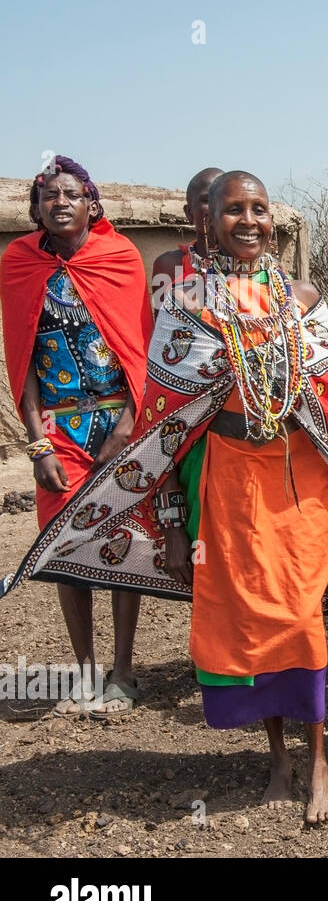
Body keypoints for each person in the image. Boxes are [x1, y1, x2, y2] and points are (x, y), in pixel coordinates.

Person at [4, 171, 328, 823]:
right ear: (211, 222)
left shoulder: (307, 300)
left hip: (299, 480)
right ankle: (277, 757)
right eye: (235, 210)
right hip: (224, 481)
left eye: (259, 209)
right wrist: (172, 519)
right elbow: (163, 429)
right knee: (247, 619)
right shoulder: (188, 307)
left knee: (303, 620)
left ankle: (318, 763)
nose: (250, 221)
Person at [0, 155, 152, 718]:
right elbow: (24, 365)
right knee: (67, 544)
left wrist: (128, 425)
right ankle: (85, 671)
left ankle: (125, 670)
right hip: (59, 428)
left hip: (119, 423)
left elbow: (139, 349)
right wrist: (37, 445)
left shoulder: (119, 258)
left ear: (92, 204)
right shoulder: (18, 264)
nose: (60, 203)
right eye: (48, 196)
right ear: (35, 208)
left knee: (122, 543)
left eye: (71, 194)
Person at [151, 167, 223, 308]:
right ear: (189, 213)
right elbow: (162, 326)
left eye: (225, 199)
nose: (218, 206)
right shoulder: (168, 265)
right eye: (208, 200)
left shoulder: (262, 269)